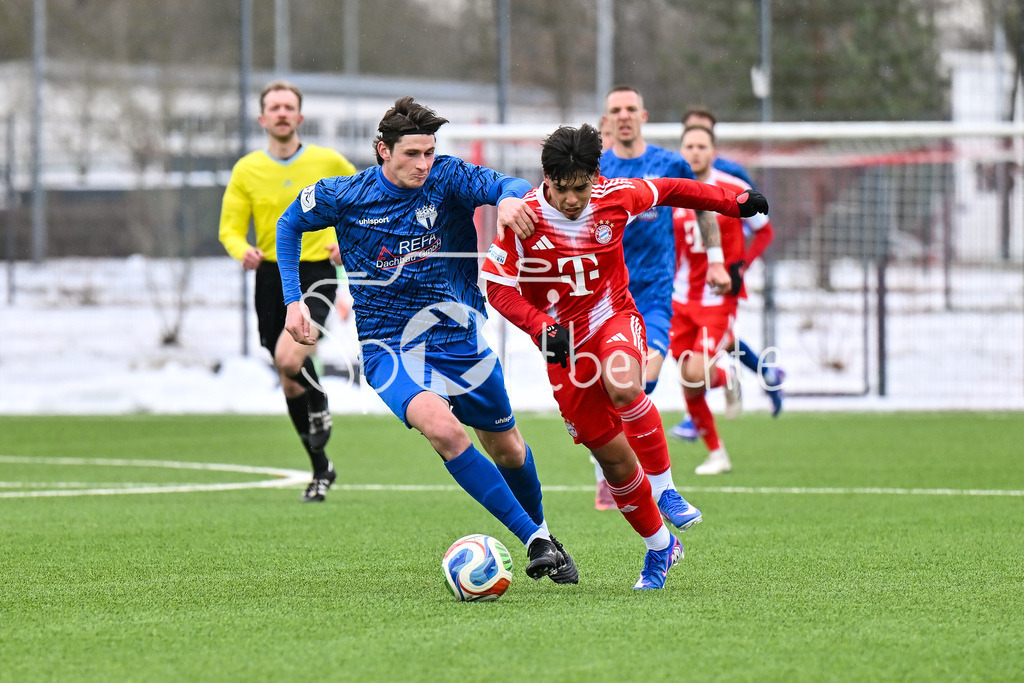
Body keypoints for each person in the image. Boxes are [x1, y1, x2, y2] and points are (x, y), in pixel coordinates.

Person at [276, 96, 576, 583]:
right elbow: (289, 223)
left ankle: (543, 531)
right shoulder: (346, 196)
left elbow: (504, 183)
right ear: (382, 151)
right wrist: (294, 299)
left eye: (429, 152)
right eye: (412, 154)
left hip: (459, 339)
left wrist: (509, 200)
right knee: (444, 430)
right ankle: (534, 539)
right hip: (388, 347)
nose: (423, 163)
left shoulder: (447, 178)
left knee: (509, 451)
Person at [481, 123, 768, 588]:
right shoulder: (523, 219)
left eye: (581, 187)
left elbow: (676, 189)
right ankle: (661, 548)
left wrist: (733, 204)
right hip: (563, 345)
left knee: (624, 382)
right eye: (562, 189)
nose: (573, 200)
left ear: (596, 174)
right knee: (612, 459)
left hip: (613, 316)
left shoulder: (617, 196)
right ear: (546, 178)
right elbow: (496, 285)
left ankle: (666, 489)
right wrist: (540, 327)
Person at [219, 80, 357, 503]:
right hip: (270, 275)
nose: (281, 113)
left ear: (299, 117)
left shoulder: (328, 160)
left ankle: (321, 400)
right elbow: (229, 228)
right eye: (274, 107)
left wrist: (345, 242)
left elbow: (365, 206)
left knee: (288, 357)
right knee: (287, 378)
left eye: (288, 107)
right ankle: (320, 469)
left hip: (315, 271)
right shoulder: (247, 170)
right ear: (263, 119)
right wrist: (243, 251)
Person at [589, 85, 696, 514]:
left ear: (644, 115)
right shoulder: (598, 170)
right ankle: (607, 476)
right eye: (616, 109)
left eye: (631, 108)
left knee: (639, 381)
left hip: (653, 294)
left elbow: (701, 203)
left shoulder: (669, 164)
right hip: (608, 297)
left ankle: (647, 478)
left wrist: (719, 258)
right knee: (610, 387)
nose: (624, 115)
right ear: (607, 120)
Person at [670, 107, 785, 441]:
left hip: (720, 290)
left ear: (713, 144)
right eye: (689, 142)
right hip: (683, 293)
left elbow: (760, 225)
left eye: (702, 141)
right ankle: (763, 371)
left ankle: (713, 395)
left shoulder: (733, 177)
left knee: (700, 362)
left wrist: (740, 265)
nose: (695, 150)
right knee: (702, 357)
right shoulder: (672, 184)